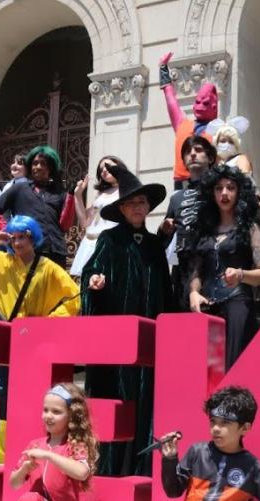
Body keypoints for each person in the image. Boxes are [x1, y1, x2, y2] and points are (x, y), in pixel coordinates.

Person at [0, 215, 81, 465]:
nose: (17, 243)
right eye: (13, 238)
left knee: (32, 388)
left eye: (22, 237)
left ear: (33, 238)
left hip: (35, 337)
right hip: (5, 331)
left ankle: (31, 439)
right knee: (1, 387)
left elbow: (74, 298)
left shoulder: (47, 267)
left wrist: (48, 321)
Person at [81, 164, 172, 476]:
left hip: (149, 347)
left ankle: (140, 468)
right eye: (133, 203)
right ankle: (109, 470)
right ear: (121, 209)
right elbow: (91, 274)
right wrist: (94, 283)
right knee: (115, 405)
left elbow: (166, 290)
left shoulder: (154, 247)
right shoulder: (109, 240)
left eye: (143, 203)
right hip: (116, 348)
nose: (139, 208)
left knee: (145, 406)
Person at [188, 165, 260, 369]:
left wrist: (241, 274)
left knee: (233, 366)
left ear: (239, 192)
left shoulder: (252, 227)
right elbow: (197, 270)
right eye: (218, 188)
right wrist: (193, 293)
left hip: (238, 304)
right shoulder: (204, 230)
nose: (224, 193)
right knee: (204, 370)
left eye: (230, 188)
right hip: (206, 305)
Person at [159, 135, 216, 310]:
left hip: (213, 265)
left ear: (211, 158)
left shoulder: (221, 189)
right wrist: (164, 229)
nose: (192, 154)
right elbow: (162, 240)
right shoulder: (177, 198)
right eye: (188, 152)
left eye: (198, 150)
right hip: (182, 267)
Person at [0, 146, 70, 265]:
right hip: (28, 252)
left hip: (56, 252)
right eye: (35, 163)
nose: (38, 167)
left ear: (51, 168)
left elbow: (65, 224)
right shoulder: (19, 188)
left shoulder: (59, 193)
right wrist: (10, 232)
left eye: (43, 163)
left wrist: (75, 196)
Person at [158, 52, 218, 187]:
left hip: (209, 182)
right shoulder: (183, 124)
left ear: (214, 106)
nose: (200, 106)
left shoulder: (220, 130)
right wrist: (163, 69)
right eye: (198, 102)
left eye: (205, 103)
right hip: (181, 182)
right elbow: (170, 98)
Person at [69, 156, 124, 276]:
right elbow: (85, 222)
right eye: (101, 169)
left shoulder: (126, 190)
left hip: (110, 244)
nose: (104, 170)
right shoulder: (100, 194)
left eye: (108, 166)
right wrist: (78, 195)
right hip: (91, 242)